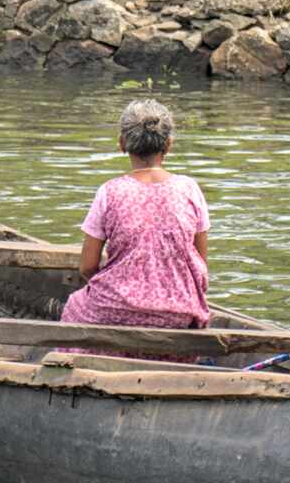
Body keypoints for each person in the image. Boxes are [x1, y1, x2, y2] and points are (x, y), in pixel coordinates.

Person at [61, 99, 210, 330]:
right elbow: (200, 265)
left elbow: (87, 267)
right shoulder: (190, 189)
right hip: (178, 315)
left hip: (113, 311)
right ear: (168, 145)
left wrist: (120, 295)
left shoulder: (109, 191)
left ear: (122, 144)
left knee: (72, 306)